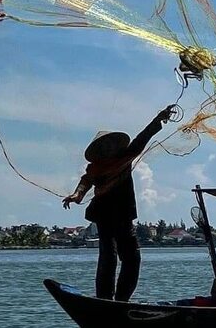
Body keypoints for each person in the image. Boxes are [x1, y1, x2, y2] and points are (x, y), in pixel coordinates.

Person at [62, 105, 175, 301]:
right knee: (109, 257)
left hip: (123, 214)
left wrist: (159, 119)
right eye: (105, 146)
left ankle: (121, 301)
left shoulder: (126, 157)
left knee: (131, 258)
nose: (109, 148)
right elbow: (85, 181)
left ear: (117, 146)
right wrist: (76, 195)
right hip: (104, 214)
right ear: (100, 151)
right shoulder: (95, 168)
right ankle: (105, 299)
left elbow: (142, 138)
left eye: (111, 144)